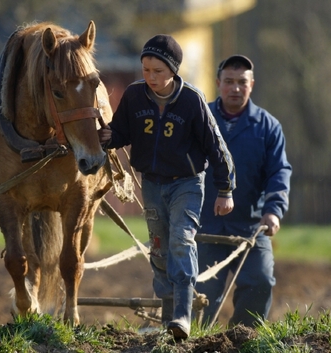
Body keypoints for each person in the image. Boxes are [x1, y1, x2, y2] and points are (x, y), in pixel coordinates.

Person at [98, 35, 236, 339]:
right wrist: (105, 136)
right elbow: (121, 132)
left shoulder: (192, 101)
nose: (150, 77)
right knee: (159, 250)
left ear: (173, 70)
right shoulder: (134, 96)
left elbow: (217, 149)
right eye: (146, 70)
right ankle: (168, 321)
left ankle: (183, 315)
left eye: (157, 71)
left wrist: (225, 190)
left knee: (181, 242)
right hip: (151, 184)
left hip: (186, 184)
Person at [195, 55, 292, 328]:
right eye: (229, 82)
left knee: (259, 281)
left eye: (241, 82)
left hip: (250, 225)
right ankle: (195, 343)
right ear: (218, 84)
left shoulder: (268, 127)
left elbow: (279, 172)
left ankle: (242, 339)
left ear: (252, 85)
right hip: (205, 225)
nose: (235, 88)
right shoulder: (201, 120)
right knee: (200, 293)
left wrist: (273, 212)